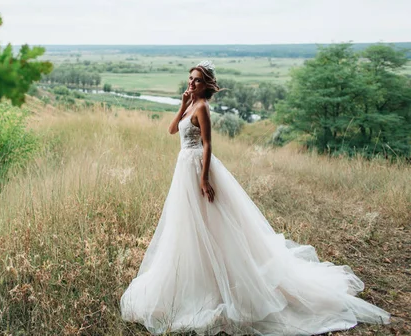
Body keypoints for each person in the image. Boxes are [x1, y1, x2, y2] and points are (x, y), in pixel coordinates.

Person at [119, 61, 390, 335]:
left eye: (197, 80)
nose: (191, 83)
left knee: (213, 225)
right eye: (190, 78)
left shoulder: (202, 108)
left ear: (207, 85)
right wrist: (181, 104)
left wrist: (204, 178)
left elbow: (208, 144)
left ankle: (226, 282)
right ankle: (197, 277)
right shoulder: (190, 103)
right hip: (183, 171)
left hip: (197, 168)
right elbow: (172, 131)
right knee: (187, 227)